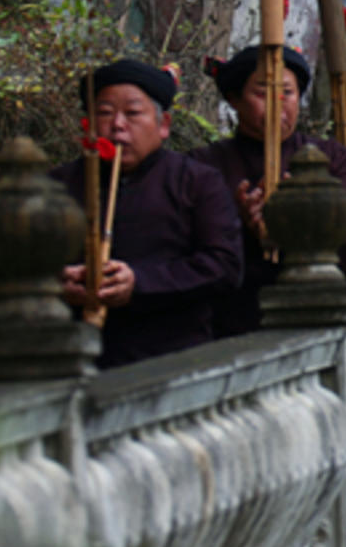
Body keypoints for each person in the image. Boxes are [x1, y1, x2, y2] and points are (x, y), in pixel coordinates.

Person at [50, 59, 241, 367]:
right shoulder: (58, 184)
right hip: (73, 358)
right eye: (105, 113)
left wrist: (140, 282)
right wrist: (60, 281)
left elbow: (224, 266)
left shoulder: (196, 182)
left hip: (169, 358)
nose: (118, 125)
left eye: (133, 113)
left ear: (163, 125)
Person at [190, 45, 346, 338]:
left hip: (317, 311)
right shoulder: (204, 165)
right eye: (262, 94)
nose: (277, 104)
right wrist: (243, 225)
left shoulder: (331, 158)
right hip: (234, 320)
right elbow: (199, 255)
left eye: (287, 93)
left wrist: (292, 227)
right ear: (234, 99)